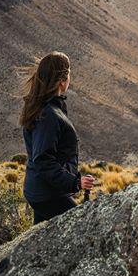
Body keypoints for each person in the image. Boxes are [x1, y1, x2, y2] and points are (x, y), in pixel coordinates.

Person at [19, 52, 95, 224]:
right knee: (80, 227)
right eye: (69, 74)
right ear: (62, 80)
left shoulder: (46, 107)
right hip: (47, 194)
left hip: (42, 191)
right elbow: (43, 160)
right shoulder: (49, 115)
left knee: (40, 242)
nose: (70, 78)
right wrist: (75, 182)